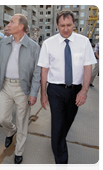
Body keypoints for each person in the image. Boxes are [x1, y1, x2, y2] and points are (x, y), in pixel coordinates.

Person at [37, 10, 96, 170]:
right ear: (57, 25)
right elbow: (44, 70)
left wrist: (84, 91)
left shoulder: (83, 42)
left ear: (74, 24)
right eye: (62, 25)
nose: (65, 29)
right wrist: (43, 94)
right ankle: (61, 165)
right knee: (57, 127)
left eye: (69, 25)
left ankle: (57, 143)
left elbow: (88, 67)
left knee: (65, 125)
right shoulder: (49, 44)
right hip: (55, 90)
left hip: (75, 90)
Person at [0, 13, 41, 165]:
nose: (8, 25)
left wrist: (33, 94)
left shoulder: (34, 46)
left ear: (21, 27)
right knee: (2, 119)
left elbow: (37, 73)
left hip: (23, 89)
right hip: (6, 86)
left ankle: (19, 151)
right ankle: (10, 131)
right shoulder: (4, 43)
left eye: (11, 22)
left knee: (22, 122)